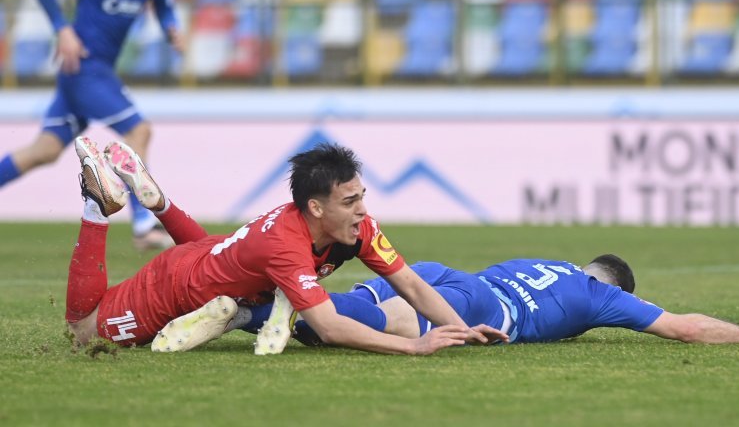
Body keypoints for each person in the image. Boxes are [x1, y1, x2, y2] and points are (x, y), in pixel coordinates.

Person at [64, 136, 507, 356]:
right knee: (82, 331)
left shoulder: (358, 226)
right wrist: (413, 346)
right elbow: (329, 328)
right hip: (170, 288)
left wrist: (461, 328)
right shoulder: (287, 245)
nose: (362, 209)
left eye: (362, 196)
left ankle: (160, 202)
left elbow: (408, 282)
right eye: (350, 201)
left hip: (214, 256)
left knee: (228, 263)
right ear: (316, 208)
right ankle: (97, 208)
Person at [0, 0, 183, 251]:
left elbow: (163, 6)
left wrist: (172, 28)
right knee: (139, 130)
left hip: (87, 74)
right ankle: (144, 226)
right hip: (86, 67)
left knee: (44, 150)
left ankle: (144, 225)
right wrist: (63, 30)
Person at [228, 256, 739, 347]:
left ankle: (254, 305)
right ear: (615, 286)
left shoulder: (545, 260)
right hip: (480, 306)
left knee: (353, 303)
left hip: (439, 272)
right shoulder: (601, 296)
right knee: (390, 327)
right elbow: (685, 328)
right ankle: (253, 314)